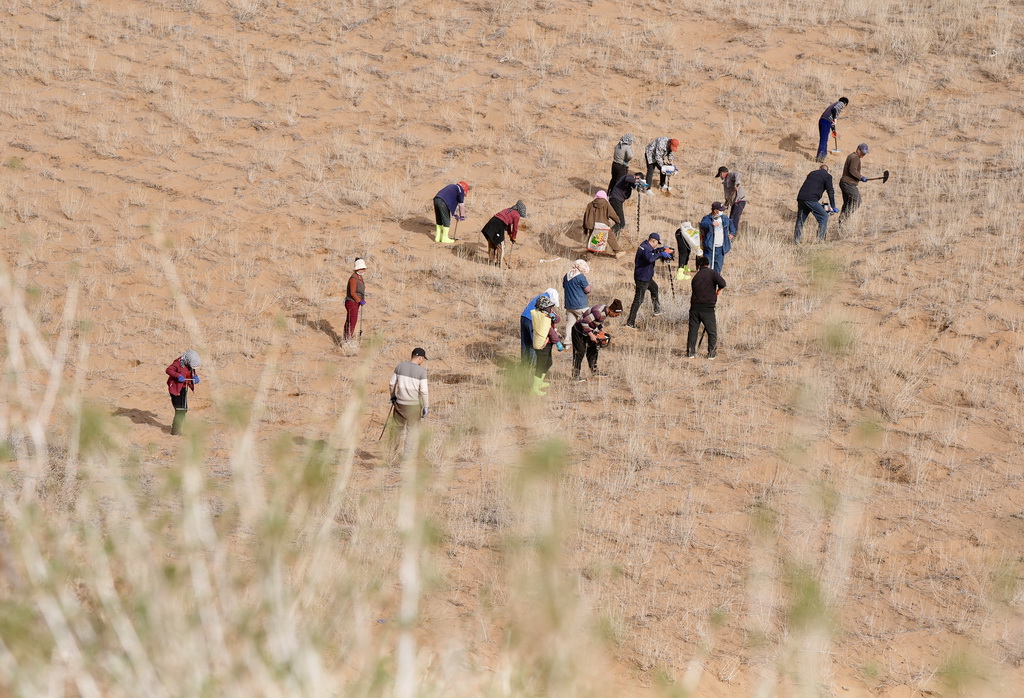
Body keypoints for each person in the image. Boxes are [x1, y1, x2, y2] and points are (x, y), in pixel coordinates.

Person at [388, 348, 430, 457]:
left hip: (400, 404)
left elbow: (392, 384)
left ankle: (391, 453)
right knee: (411, 431)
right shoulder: (422, 372)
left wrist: (393, 397)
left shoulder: (400, 367)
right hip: (414, 407)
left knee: (396, 429)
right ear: (420, 358)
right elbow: (424, 391)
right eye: (423, 359)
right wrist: (426, 406)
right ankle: (407, 456)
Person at [624, 233, 671, 329]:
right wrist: (661, 254)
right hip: (642, 279)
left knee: (654, 288)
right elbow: (650, 258)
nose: (656, 245)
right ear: (653, 240)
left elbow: (651, 253)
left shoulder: (646, 245)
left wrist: (660, 249)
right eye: (657, 243)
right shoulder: (645, 248)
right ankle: (630, 322)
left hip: (646, 277)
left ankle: (657, 310)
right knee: (638, 300)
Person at [686, 256, 726, 360]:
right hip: (707, 308)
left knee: (693, 331)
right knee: (712, 332)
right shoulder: (712, 273)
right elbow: (723, 283)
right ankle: (711, 353)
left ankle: (690, 352)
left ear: (698, 266)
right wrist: (717, 292)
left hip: (694, 308)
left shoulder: (696, 277)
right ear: (708, 265)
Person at [572, 299, 623, 382]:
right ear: (611, 310)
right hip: (578, 331)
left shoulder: (605, 310)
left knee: (594, 349)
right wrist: (591, 335)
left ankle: (594, 371)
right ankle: (575, 376)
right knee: (580, 352)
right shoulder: (598, 312)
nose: (615, 316)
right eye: (615, 315)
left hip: (588, 330)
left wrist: (601, 329)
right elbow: (584, 322)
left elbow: (597, 321)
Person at [794, 165, 839, 243]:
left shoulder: (812, 173)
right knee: (824, 216)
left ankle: (796, 241)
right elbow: (830, 191)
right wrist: (833, 206)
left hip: (801, 197)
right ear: (827, 170)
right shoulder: (827, 176)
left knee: (800, 220)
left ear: (819, 168)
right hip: (811, 199)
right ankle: (819, 240)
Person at [529, 296, 563, 396]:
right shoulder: (542, 318)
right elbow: (550, 332)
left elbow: (558, 320)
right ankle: (534, 388)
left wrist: (554, 317)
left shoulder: (548, 313)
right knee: (541, 366)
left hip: (548, 343)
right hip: (543, 345)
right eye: (548, 307)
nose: (550, 309)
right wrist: (558, 342)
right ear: (543, 308)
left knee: (548, 363)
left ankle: (539, 383)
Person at [520, 288, 560, 364]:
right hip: (532, 320)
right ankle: (533, 364)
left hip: (524, 317)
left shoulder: (540, 297)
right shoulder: (546, 300)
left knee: (525, 343)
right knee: (534, 342)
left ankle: (524, 364)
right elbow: (554, 320)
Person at [166, 349, 200, 436]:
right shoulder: (178, 363)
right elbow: (168, 370)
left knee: (184, 409)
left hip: (184, 388)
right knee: (179, 410)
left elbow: (192, 372)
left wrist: (195, 377)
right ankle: (175, 431)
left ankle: (179, 428)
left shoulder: (189, 364)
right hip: (176, 389)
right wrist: (177, 375)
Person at [481, 200, 526, 265]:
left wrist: (510, 236)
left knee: (492, 242)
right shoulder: (517, 215)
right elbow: (515, 228)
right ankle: (499, 263)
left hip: (491, 223)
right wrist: (514, 237)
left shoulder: (509, 210)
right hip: (498, 225)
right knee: (500, 245)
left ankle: (491, 261)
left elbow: (508, 225)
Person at [562, 259, 592, 349]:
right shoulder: (580, 277)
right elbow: (587, 290)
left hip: (569, 304)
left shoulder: (566, 276)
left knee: (570, 323)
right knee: (587, 321)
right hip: (580, 305)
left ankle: (567, 343)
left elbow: (564, 286)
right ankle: (588, 340)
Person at [699, 203, 736, 274]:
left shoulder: (725, 218)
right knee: (707, 269)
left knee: (718, 269)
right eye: (720, 210)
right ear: (715, 211)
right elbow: (702, 225)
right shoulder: (707, 218)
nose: (722, 212)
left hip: (721, 248)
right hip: (710, 248)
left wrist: (732, 233)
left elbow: (732, 226)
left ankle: (715, 280)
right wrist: (711, 224)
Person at [582, 191, 621, 256]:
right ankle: (617, 252)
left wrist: (585, 228)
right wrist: (617, 220)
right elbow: (612, 214)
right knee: (611, 238)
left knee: (593, 240)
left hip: (592, 226)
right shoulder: (606, 204)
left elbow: (586, 216)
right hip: (603, 225)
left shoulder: (590, 204)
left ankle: (589, 255)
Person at [839, 143, 869, 224]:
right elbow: (852, 170)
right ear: (858, 149)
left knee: (848, 203)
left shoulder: (852, 156)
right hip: (848, 184)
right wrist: (861, 177)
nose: (863, 154)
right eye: (862, 152)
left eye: (865, 153)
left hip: (844, 183)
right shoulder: (855, 157)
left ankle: (841, 222)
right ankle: (844, 218)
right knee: (857, 201)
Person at [608, 172, 641, 238]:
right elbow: (627, 179)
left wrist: (637, 186)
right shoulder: (629, 176)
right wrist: (636, 180)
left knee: (619, 221)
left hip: (617, 201)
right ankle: (609, 236)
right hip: (615, 200)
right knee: (621, 222)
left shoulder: (630, 183)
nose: (638, 180)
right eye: (638, 179)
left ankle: (614, 237)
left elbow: (632, 186)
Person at [716, 166, 748, 233]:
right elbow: (729, 195)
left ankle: (733, 234)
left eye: (720, 174)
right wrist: (726, 203)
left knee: (734, 218)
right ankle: (731, 233)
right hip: (734, 202)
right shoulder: (725, 182)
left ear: (723, 173)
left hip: (740, 200)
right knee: (731, 218)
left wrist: (736, 185)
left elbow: (738, 174)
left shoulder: (730, 175)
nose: (720, 176)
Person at [816, 97, 848, 162]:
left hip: (823, 121)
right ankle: (820, 157)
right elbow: (834, 109)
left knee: (824, 139)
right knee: (824, 140)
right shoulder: (840, 103)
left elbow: (832, 121)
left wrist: (833, 130)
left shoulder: (834, 104)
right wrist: (835, 118)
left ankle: (823, 156)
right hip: (826, 121)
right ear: (845, 104)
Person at [344, 257, 366, 341]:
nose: (364, 270)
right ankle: (347, 339)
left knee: (351, 320)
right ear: (358, 268)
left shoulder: (359, 277)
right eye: (362, 268)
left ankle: (347, 338)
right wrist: (359, 300)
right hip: (351, 302)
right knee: (352, 321)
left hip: (355, 303)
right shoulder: (353, 279)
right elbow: (352, 292)